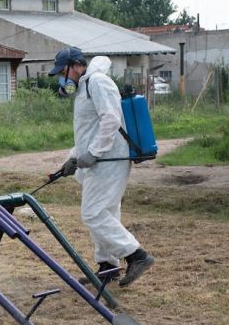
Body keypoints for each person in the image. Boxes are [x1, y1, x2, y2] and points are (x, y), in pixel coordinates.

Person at [49, 46, 154, 287]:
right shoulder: (84, 88)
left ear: (77, 65)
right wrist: (73, 158)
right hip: (97, 161)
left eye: (63, 72)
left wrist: (93, 154)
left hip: (108, 161)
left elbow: (111, 120)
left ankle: (137, 255)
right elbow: (87, 132)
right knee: (105, 213)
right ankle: (108, 266)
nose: (62, 79)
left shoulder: (97, 82)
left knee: (93, 213)